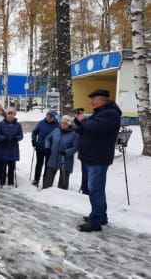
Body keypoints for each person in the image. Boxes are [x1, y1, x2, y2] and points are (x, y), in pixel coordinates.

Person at [74, 89, 121, 232]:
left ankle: (95, 222)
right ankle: (101, 216)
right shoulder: (100, 113)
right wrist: (79, 124)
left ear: (102, 99)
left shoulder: (111, 114)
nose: (91, 102)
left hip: (98, 158)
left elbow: (97, 128)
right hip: (90, 156)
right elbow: (89, 129)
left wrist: (84, 120)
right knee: (96, 189)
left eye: (93, 99)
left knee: (95, 190)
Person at [42, 115, 79, 190]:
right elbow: (48, 139)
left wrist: (66, 152)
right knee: (48, 180)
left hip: (65, 160)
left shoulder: (74, 134)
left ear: (69, 124)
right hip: (53, 158)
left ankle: (62, 196)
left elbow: (76, 147)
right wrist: (47, 147)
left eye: (65, 123)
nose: (63, 125)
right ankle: (45, 192)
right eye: (62, 123)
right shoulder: (56, 131)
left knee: (63, 182)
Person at [31, 110, 59, 187]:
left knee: (47, 165)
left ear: (54, 117)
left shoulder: (57, 125)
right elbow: (34, 132)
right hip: (40, 147)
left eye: (51, 116)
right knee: (39, 164)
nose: (49, 118)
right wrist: (33, 140)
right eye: (48, 116)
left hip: (50, 149)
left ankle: (45, 181)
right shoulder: (41, 123)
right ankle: (36, 180)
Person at [0, 107, 23, 186]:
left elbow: (21, 135)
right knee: (3, 165)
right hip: (3, 147)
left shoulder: (18, 125)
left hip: (13, 148)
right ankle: (2, 180)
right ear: (6, 115)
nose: (10, 115)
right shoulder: (1, 124)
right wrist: (3, 138)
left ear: (14, 115)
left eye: (12, 114)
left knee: (11, 166)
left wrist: (15, 138)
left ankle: (11, 181)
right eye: (8, 114)